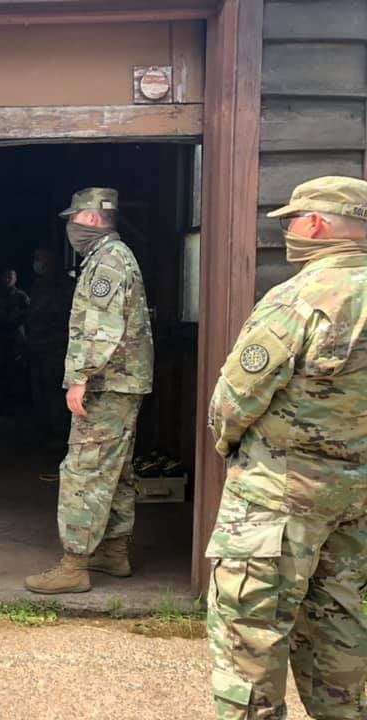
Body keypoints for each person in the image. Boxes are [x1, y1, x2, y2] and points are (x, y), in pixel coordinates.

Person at [205, 176, 367, 720]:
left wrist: (232, 449)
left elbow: (234, 399)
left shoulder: (299, 297)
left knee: (249, 633)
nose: (290, 231)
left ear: (317, 223)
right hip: (355, 499)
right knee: (338, 627)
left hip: (276, 497)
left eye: (293, 219)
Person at [24, 187, 153, 595]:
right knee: (114, 470)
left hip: (105, 384)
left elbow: (101, 328)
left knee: (84, 470)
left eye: (73, 218)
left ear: (93, 219)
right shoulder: (110, 257)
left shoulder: (109, 261)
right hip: (120, 383)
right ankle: (113, 553)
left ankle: (75, 564)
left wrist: (80, 377)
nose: (69, 227)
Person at [28, 248, 73, 454]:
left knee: (56, 393)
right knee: (42, 392)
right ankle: (45, 431)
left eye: (40, 259)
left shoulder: (64, 286)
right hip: (40, 347)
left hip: (56, 347)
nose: (37, 263)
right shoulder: (40, 285)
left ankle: (60, 434)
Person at [0, 268, 30, 409]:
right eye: (5, 277)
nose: (7, 280)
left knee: (16, 371)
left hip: (15, 338)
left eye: (10, 277)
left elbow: (29, 316)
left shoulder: (21, 297)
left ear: (15, 279)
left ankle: (16, 404)